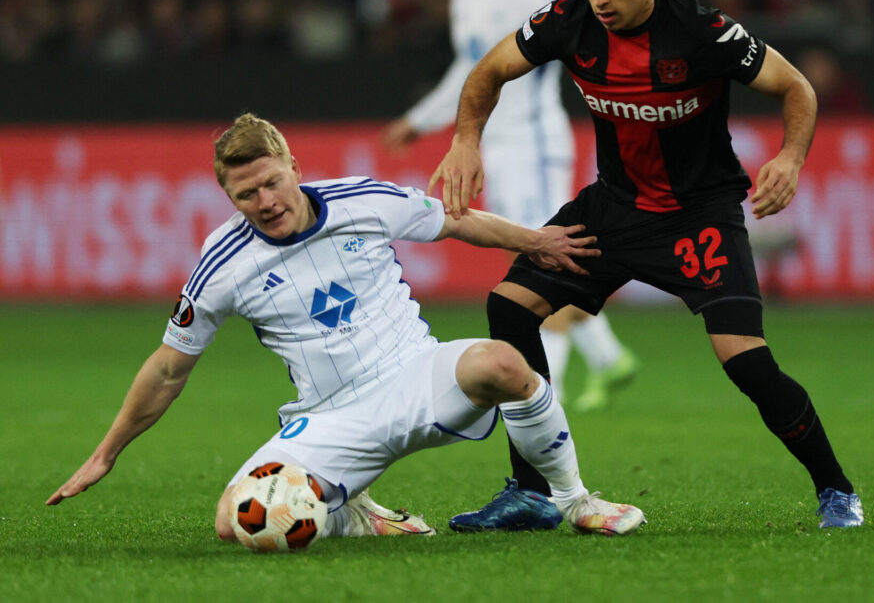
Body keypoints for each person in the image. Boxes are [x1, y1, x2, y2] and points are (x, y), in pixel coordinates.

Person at [430, 0, 863, 530]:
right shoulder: (566, 22)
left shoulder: (703, 31)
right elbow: (489, 70)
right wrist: (466, 140)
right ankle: (531, 492)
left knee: (744, 360)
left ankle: (836, 489)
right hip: (612, 210)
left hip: (699, 217)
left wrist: (791, 157)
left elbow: (796, 87)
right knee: (510, 306)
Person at [46, 113, 647, 540]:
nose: (266, 201)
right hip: (332, 415)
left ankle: (574, 500)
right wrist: (107, 453)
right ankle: (354, 517)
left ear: (293, 167)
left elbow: (456, 221)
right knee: (236, 521)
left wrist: (535, 241)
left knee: (503, 362)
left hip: (418, 375)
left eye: (272, 182)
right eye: (246, 193)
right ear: (228, 195)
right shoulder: (221, 265)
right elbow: (169, 367)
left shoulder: (362, 199)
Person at [381, 0, 637, 413]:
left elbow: (594, 45)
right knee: (528, 252)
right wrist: (420, 119)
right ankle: (608, 357)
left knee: (543, 255)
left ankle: (554, 388)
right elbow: (466, 70)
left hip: (536, 143)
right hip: (494, 145)